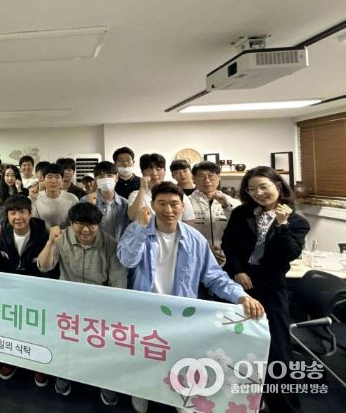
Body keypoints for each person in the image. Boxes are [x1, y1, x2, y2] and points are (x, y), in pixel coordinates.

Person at [118, 181, 265, 413]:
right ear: (153, 205)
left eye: (174, 204)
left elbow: (214, 277)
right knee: (144, 355)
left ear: (182, 206)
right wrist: (139, 228)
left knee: (181, 356)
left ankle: (182, 395)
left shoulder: (195, 239)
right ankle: (141, 391)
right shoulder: (138, 230)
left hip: (180, 311)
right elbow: (127, 260)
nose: (168, 210)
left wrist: (240, 296)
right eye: (162, 203)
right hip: (145, 309)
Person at [222, 166, 309, 413]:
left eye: (263, 187)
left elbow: (288, 253)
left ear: (278, 186)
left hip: (271, 288)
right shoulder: (242, 212)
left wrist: (282, 225)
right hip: (240, 285)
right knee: (237, 342)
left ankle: (285, 406)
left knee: (277, 349)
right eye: (252, 189)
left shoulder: (297, 221)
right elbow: (229, 243)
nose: (258, 193)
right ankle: (245, 400)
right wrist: (238, 271)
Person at [37, 202, 126, 405]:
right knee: (66, 344)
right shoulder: (61, 238)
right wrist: (50, 243)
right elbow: (44, 266)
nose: (85, 230)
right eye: (80, 224)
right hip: (67, 301)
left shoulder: (110, 245)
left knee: (102, 347)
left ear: (98, 224)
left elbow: (118, 283)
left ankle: (106, 382)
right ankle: (63, 376)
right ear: (71, 223)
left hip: (99, 304)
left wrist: (110, 313)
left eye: (91, 225)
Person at [0, 194, 54, 387]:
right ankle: (11, 360)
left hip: (36, 293)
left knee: (37, 329)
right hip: (10, 292)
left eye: (22, 212)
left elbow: (48, 270)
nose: (17, 217)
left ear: (30, 213)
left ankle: (40, 364)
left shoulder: (43, 234)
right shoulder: (1, 234)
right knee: (11, 328)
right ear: (7, 215)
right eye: (12, 213)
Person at [188, 161, 240, 266]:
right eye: (201, 176)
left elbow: (240, 230)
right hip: (197, 258)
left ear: (219, 177)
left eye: (210, 176)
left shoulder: (234, 203)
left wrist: (226, 206)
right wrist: (205, 248)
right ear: (193, 179)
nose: (207, 180)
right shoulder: (186, 202)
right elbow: (182, 233)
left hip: (228, 259)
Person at [127, 153, 195, 224]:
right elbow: (133, 217)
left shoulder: (178, 193)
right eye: (149, 170)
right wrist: (142, 189)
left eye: (158, 169)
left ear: (165, 171)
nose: (154, 173)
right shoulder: (135, 195)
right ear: (142, 173)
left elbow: (189, 221)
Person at [82, 161, 130, 241]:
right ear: (96, 180)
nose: (105, 179)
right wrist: (90, 207)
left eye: (110, 175)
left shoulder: (125, 203)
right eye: (101, 177)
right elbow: (81, 227)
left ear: (117, 177)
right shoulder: (85, 200)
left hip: (118, 247)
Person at [31, 163, 79, 229]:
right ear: (44, 179)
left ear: (62, 179)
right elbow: (31, 223)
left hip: (66, 235)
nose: (53, 181)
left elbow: (77, 223)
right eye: (49, 177)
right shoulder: (35, 198)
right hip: (42, 235)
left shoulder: (72, 199)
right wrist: (32, 200)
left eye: (57, 177)